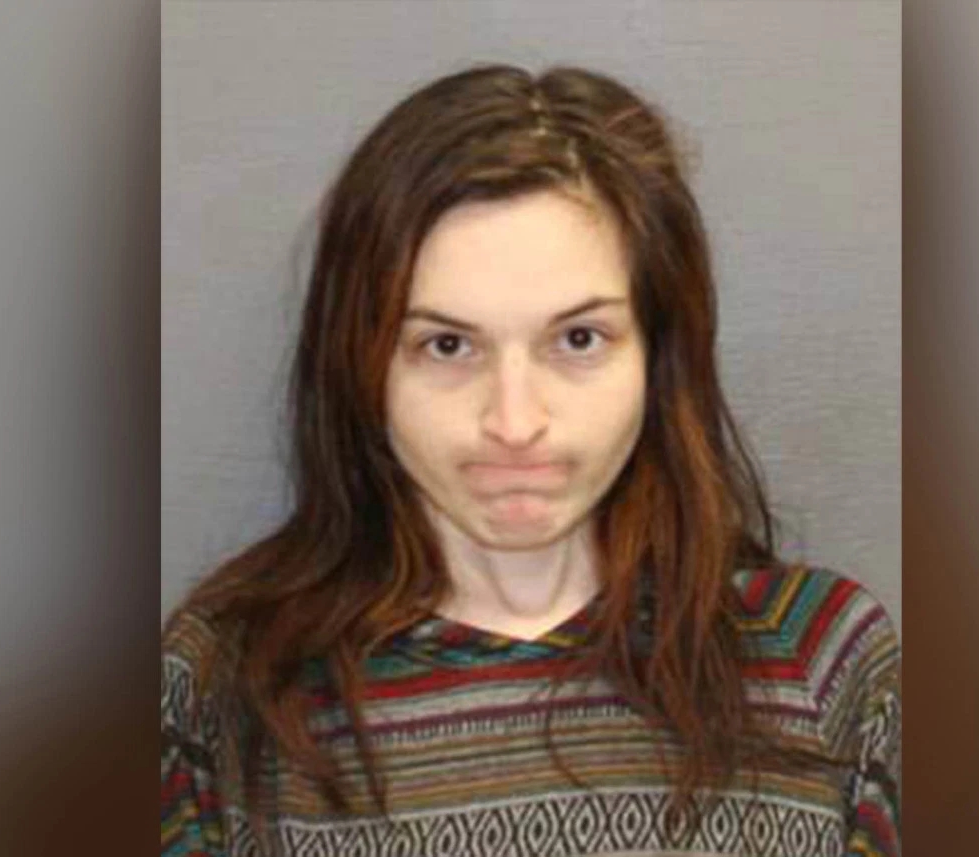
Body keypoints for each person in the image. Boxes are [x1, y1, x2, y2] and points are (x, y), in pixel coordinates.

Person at [161, 63, 900, 857]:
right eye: (448, 345)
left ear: (659, 357)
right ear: (361, 365)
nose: (514, 422)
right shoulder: (221, 692)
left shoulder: (823, 666)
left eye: (578, 338)